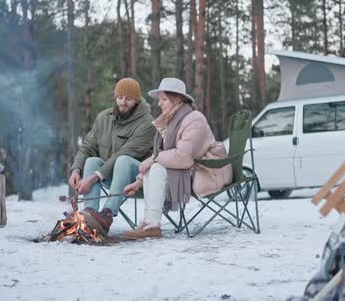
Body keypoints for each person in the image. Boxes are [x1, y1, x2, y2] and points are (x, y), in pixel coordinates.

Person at [122, 77, 232, 239]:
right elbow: (163, 155)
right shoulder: (169, 121)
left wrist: (153, 159)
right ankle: (149, 223)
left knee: (158, 166)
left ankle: (152, 224)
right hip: (192, 170)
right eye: (159, 100)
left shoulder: (195, 119)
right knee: (157, 166)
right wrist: (139, 182)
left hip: (210, 171)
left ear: (178, 99)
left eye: (164, 99)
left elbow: (183, 157)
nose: (159, 104)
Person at [68, 77, 156, 235]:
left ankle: (107, 215)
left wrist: (93, 177)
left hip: (138, 180)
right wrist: (76, 169)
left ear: (137, 100)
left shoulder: (147, 123)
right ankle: (90, 214)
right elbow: (88, 146)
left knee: (123, 160)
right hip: (111, 177)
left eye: (128, 98)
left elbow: (125, 153)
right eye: (119, 97)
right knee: (92, 160)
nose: (123, 102)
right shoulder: (103, 118)